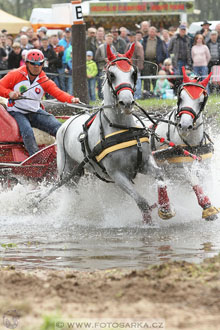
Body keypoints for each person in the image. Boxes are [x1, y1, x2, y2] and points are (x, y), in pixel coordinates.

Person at [0, 49, 80, 156]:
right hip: (17, 112)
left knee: (59, 127)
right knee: (27, 131)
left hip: (35, 112)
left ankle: (66, 154)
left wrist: (71, 99)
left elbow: (58, 93)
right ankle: (36, 157)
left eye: (39, 64)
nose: (36, 66)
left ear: (43, 64)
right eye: (33, 63)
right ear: (27, 63)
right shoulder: (15, 74)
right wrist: (9, 93)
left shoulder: (43, 79)